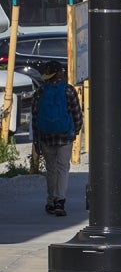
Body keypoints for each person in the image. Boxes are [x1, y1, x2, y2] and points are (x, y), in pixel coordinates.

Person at [31, 61, 82, 217]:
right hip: (65, 136)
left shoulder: (40, 92)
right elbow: (76, 115)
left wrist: (37, 140)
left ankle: (51, 200)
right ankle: (60, 201)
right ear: (60, 73)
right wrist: (75, 131)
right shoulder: (68, 90)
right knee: (62, 168)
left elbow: (35, 116)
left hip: (46, 136)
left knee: (51, 168)